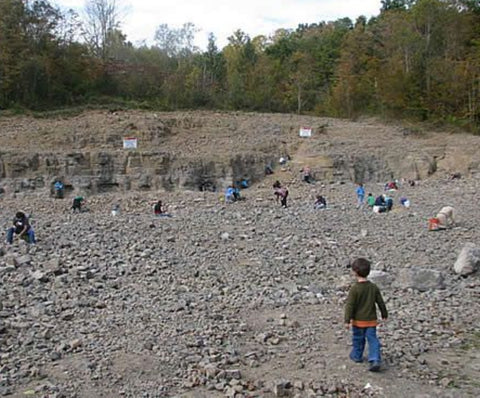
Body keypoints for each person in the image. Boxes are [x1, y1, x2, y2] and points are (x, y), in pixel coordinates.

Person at [345, 258, 388, 372]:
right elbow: (380, 302)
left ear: (355, 272)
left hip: (358, 321)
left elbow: (350, 305)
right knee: (372, 339)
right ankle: (375, 359)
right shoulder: (373, 287)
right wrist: (384, 313)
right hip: (371, 321)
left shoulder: (354, 289)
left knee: (358, 339)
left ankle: (357, 356)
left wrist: (347, 320)